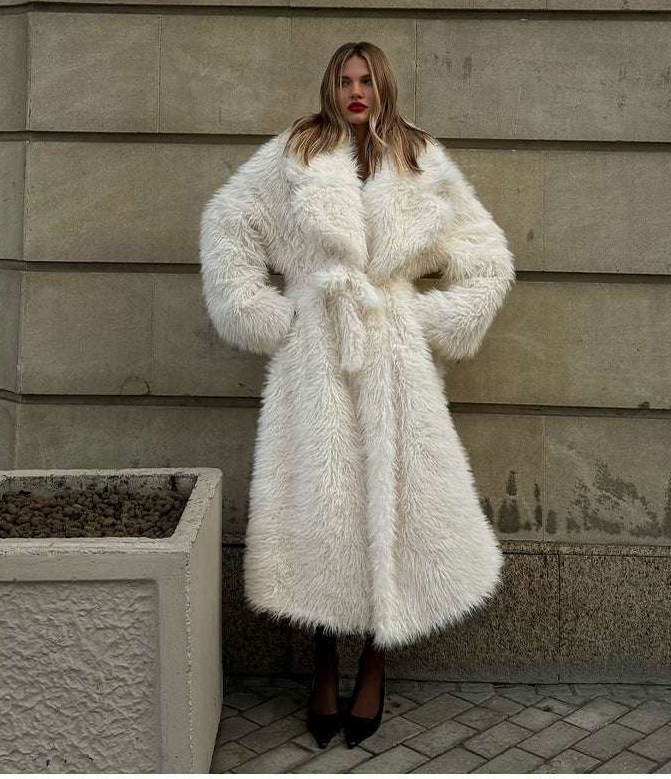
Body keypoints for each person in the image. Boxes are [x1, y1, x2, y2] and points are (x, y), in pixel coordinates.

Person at [199, 41, 516, 749]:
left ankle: (374, 662)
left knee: (394, 502)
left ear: (383, 85)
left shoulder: (419, 157)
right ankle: (320, 664)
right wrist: (267, 315)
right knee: (321, 504)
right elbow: (229, 227)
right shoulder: (297, 152)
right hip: (314, 356)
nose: (354, 90)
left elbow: (487, 258)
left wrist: (430, 318)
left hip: (394, 360)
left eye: (365, 79)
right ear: (329, 86)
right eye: (344, 79)